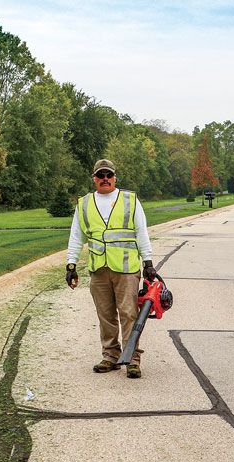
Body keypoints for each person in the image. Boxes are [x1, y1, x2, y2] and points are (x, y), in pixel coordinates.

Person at [66, 159, 156, 379]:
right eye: (100, 175)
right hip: (99, 268)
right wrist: (71, 265)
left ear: (115, 177)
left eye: (108, 175)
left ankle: (132, 359)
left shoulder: (130, 200)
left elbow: (141, 232)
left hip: (126, 268)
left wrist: (148, 262)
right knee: (105, 315)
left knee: (129, 314)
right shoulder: (84, 204)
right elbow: (76, 236)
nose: (104, 179)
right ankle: (110, 356)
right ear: (94, 178)